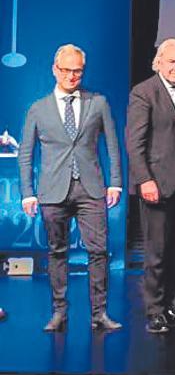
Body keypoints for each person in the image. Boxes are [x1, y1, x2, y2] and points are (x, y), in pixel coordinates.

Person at [18, 44, 123, 332]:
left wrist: (115, 182)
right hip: (53, 191)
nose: (72, 76)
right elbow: (25, 153)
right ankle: (59, 313)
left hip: (91, 188)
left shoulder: (97, 102)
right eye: (66, 70)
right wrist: (27, 192)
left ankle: (99, 314)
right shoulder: (38, 109)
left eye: (77, 70)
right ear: (55, 70)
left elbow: (113, 145)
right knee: (57, 252)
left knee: (99, 251)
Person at [126, 38, 175, 334]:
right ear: (158, 62)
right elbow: (135, 143)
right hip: (158, 182)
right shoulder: (144, 92)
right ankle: (154, 310)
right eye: (171, 61)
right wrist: (144, 179)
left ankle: (169, 305)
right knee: (157, 250)